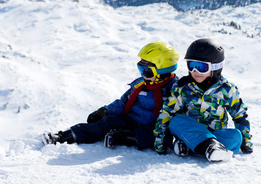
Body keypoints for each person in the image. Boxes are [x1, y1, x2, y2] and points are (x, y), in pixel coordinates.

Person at [43, 42, 179, 150]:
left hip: (155, 127)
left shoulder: (175, 91)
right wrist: (105, 110)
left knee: (158, 136)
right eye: (140, 69)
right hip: (132, 120)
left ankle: (126, 138)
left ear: (163, 71)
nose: (143, 74)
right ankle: (64, 137)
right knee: (107, 122)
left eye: (147, 71)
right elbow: (123, 102)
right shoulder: (140, 85)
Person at [153, 38, 253, 162]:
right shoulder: (183, 88)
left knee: (236, 136)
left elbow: (240, 115)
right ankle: (211, 147)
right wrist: (160, 138)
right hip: (189, 131)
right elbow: (167, 112)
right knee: (177, 121)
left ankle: (191, 147)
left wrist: (246, 141)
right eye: (192, 65)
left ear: (216, 67)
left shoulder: (227, 90)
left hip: (217, 133)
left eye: (201, 67)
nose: (195, 71)